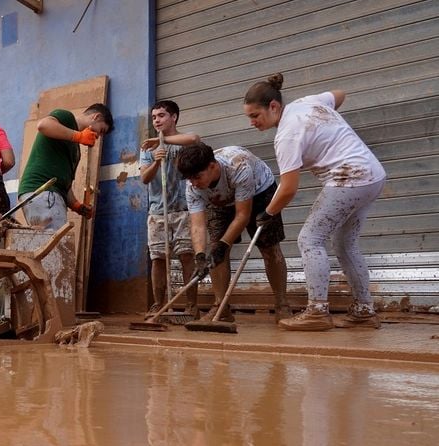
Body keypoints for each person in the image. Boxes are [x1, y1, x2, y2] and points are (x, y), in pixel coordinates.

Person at [244, 73, 386, 331]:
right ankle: (364, 310)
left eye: (255, 115)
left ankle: (317, 311)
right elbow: (339, 94)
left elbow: (288, 189)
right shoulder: (307, 102)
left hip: (348, 178)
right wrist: (326, 126)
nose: (252, 122)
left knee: (309, 239)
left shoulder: (286, 135)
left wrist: (268, 212)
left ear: (273, 107)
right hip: (372, 175)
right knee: (344, 243)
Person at [177, 142, 292, 323]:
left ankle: (282, 304)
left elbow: (243, 215)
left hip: (259, 192)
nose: (193, 183)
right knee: (214, 252)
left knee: (269, 248)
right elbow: (197, 225)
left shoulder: (238, 167)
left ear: (213, 166)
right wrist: (200, 256)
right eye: (190, 179)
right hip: (220, 200)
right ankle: (220, 307)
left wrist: (224, 245)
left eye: (197, 177)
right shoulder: (193, 184)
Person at [139, 100, 201, 316]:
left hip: (184, 209)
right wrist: (156, 161)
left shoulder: (183, 142)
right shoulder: (148, 147)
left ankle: (191, 305)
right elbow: (145, 179)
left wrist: (161, 140)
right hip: (157, 212)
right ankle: (159, 304)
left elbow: (195, 138)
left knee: (186, 256)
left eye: (162, 115)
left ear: (174, 117)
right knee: (158, 258)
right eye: (154, 116)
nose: (156, 120)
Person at [18, 104, 113, 230]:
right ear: (96, 117)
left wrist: (77, 206)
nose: (98, 136)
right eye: (101, 130)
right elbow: (43, 125)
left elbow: (64, 184)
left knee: (47, 245)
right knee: (57, 247)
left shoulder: (75, 151)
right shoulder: (66, 118)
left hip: (46, 193)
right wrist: (78, 136)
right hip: (43, 190)